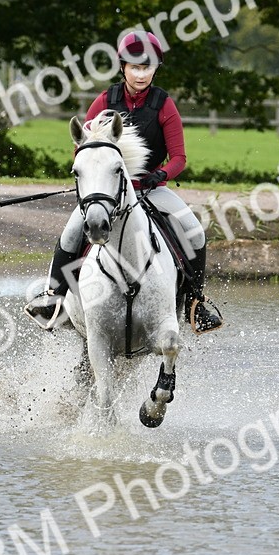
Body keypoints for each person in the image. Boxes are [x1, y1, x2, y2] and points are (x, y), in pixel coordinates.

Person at [24, 30, 224, 334]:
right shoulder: (105, 100)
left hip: (151, 190)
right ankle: (53, 299)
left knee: (194, 232)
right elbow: (83, 148)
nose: (141, 74)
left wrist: (161, 174)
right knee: (70, 234)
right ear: (123, 68)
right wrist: (95, 179)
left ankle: (196, 303)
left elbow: (179, 158)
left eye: (147, 67)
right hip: (108, 195)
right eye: (135, 67)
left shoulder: (164, 105)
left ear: (156, 69)